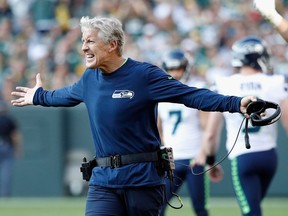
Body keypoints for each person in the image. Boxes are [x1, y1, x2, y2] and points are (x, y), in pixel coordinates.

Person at [11, 16, 256, 216]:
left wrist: (236, 103)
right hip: (104, 182)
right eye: (83, 41)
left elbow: (191, 95)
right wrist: (39, 96)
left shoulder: (144, 75)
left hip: (143, 182)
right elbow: (63, 95)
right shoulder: (89, 79)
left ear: (112, 44)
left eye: (90, 41)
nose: (84, 47)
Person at [198, 36, 288, 216]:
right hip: (270, 156)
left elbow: (210, 134)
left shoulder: (223, 84)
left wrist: (210, 160)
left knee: (251, 212)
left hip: (243, 158)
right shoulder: (277, 81)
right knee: (254, 208)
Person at [157, 49, 223, 216]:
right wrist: (164, 151)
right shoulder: (159, 94)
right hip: (171, 159)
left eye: (178, 68)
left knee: (200, 208)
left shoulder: (196, 88)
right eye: (171, 69)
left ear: (186, 68)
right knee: (158, 205)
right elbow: (159, 129)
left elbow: (206, 125)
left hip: (195, 157)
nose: (174, 73)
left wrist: (205, 154)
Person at [0, 99, 22, 197]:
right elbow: (15, 135)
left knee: (6, 173)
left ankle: (5, 195)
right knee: (6, 173)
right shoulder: (9, 119)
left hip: (6, 145)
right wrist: (18, 149)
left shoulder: (9, 119)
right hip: (6, 146)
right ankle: (5, 195)